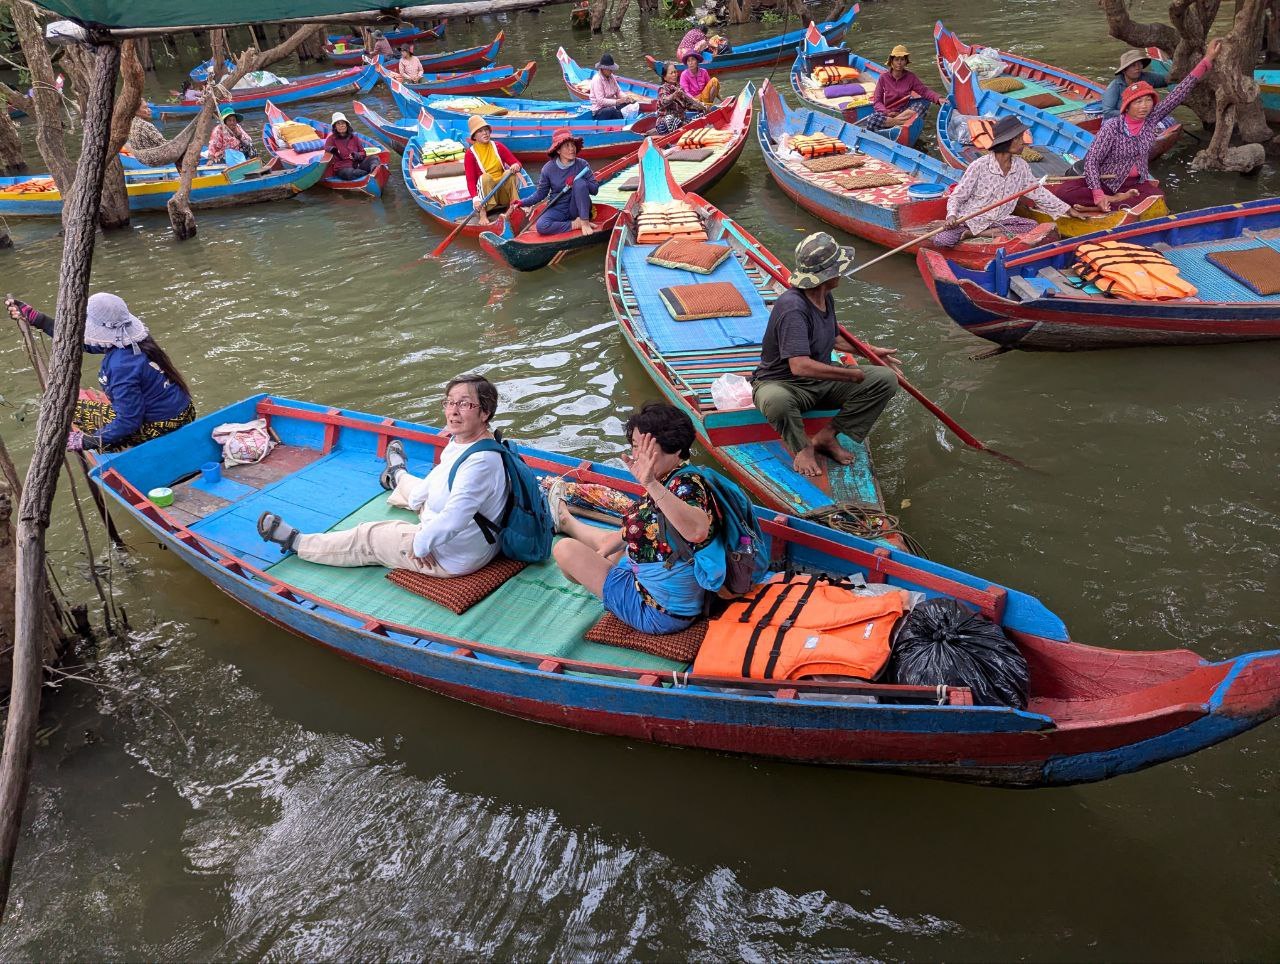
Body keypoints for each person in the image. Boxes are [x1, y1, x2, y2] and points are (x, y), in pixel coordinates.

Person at [257, 375, 510, 576]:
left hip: (453, 555)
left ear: (484, 412)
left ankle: (298, 543)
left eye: (464, 404)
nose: (453, 411)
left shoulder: (480, 463)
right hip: (471, 533)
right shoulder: (469, 440)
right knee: (420, 490)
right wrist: (417, 497)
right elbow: (440, 478)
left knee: (370, 537)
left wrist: (420, 544)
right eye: (450, 402)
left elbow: (454, 518)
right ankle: (397, 475)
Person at [551, 402, 716, 635]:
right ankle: (567, 521)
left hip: (658, 610)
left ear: (673, 447)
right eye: (635, 446)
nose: (636, 455)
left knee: (564, 550)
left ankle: (571, 529)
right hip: (660, 583)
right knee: (614, 541)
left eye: (642, 447)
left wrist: (649, 483)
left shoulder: (687, 485)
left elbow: (697, 531)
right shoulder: (673, 475)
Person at [750, 233, 901, 479]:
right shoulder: (793, 307)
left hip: (820, 382)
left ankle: (827, 436)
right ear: (828, 274)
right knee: (776, 401)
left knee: (885, 379)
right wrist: (850, 375)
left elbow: (834, 338)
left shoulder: (824, 296)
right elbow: (799, 366)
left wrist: (869, 351)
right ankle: (802, 447)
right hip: (784, 383)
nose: (842, 272)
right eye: (839, 268)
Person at [4, 293, 195, 451]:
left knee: (74, 409)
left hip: (161, 426)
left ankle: (129, 449)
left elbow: (129, 421)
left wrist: (88, 441)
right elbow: (86, 343)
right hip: (184, 413)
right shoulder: (136, 341)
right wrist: (38, 320)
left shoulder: (119, 366)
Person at [1055, 38, 1220, 213]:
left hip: (1135, 184)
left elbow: (1179, 92)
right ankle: (1111, 201)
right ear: (1127, 106)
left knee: (1157, 199)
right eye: (1138, 102)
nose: (1144, 106)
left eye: (1148, 100)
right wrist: (1098, 194)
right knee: (1064, 192)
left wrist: (1207, 60)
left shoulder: (1150, 120)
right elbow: (1091, 161)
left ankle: (1108, 204)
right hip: (1107, 182)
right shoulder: (1112, 127)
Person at [932, 116, 1091, 247]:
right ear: (1007, 141)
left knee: (1032, 226)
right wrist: (951, 216)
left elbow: (1038, 192)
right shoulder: (979, 165)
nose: (1024, 142)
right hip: (971, 219)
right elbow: (958, 196)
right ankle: (972, 231)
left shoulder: (1021, 166)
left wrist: (1068, 210)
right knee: (942, 240)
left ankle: (976, 235)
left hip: (999, 221)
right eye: (1019, 138)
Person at [513, 128, 599, 237]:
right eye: (567, 146)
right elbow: (541, 194)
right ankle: (575, 224)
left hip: (578, 208)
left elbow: (595, 190)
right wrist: (522, 202)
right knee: (542, 225)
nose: (572, 149)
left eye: (572, 145)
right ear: (558, 150)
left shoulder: (582, 164)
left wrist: (579, 180)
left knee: (580, 183)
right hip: (558, 208)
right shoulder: (548, 169)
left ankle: (584, 222)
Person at [866, 44, 941, 133]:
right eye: (896, 60)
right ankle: (899, 123)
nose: (899, 63)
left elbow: (924, 91)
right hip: (886, 114)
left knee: (921, 107)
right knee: (871, 120)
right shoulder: (883, 78)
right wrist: (887, 112)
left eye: (902, 59)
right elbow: (877, 101)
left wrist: (938, 99)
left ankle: (893, 124)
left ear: (906, 62)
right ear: (892, 61)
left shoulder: (911, 77)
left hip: (902, 112)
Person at [463, 114, 522, 225]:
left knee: (508, 173)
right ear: (474, 136)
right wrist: (475, 199)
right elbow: (470, 181)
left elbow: (517, 163)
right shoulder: (470, 154)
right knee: (485, 177)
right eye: (480, 131)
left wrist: (516, 166)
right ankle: (483, 214)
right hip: (488, 197)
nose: (485, 133)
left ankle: (514, 205)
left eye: (486, 130)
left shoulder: (498, 146)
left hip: (502, 192)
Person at [1100, 49, 1169, 119]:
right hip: (1121, 120)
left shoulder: (1148, 77)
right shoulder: (1115, 86)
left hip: (1146, 118)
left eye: (1139, 64)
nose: (1137, 68)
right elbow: (1107, 112)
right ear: (1124, 70)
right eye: (1133, 65)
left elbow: (1168, 80)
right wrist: (1132, 114)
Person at [654, 60, 710, 135]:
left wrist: (702, 106)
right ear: (665, 77)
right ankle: (685, 129)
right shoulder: (663, 89)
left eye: (675, 72)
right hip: (665, 125)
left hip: (681, 121)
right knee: (669, 119)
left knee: (703, 112)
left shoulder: (679, 88)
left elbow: (688, 105)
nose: (674, 75)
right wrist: (674, 95)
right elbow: (663, 101)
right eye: (671, 73)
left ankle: (686, 127)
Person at [321, 111, 378, 181]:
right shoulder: (331, 139)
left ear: (346, 125)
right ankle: (367, 174)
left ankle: (373, 172)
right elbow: (326, 148)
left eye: (343, 123)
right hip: (342, 168)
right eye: (338, 124)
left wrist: (356, 155)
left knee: (374, 158)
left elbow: (363, 153)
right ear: (335, 127)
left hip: (357, 164)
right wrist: (333, 149)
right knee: (349, 173)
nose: (341, 125)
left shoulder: (354, 138)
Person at [588, 53, 640, 121]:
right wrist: (618, 101)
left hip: (613, 105)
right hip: (600, 111)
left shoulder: (611, 76)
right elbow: (601, 101)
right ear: (603, 69)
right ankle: (625, 121)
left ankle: (627, 117)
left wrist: (626, 98)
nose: (611, 71)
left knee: (630, 103)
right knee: (611, 111)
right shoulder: (597, 79)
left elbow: (618, 91)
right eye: (610, 69)